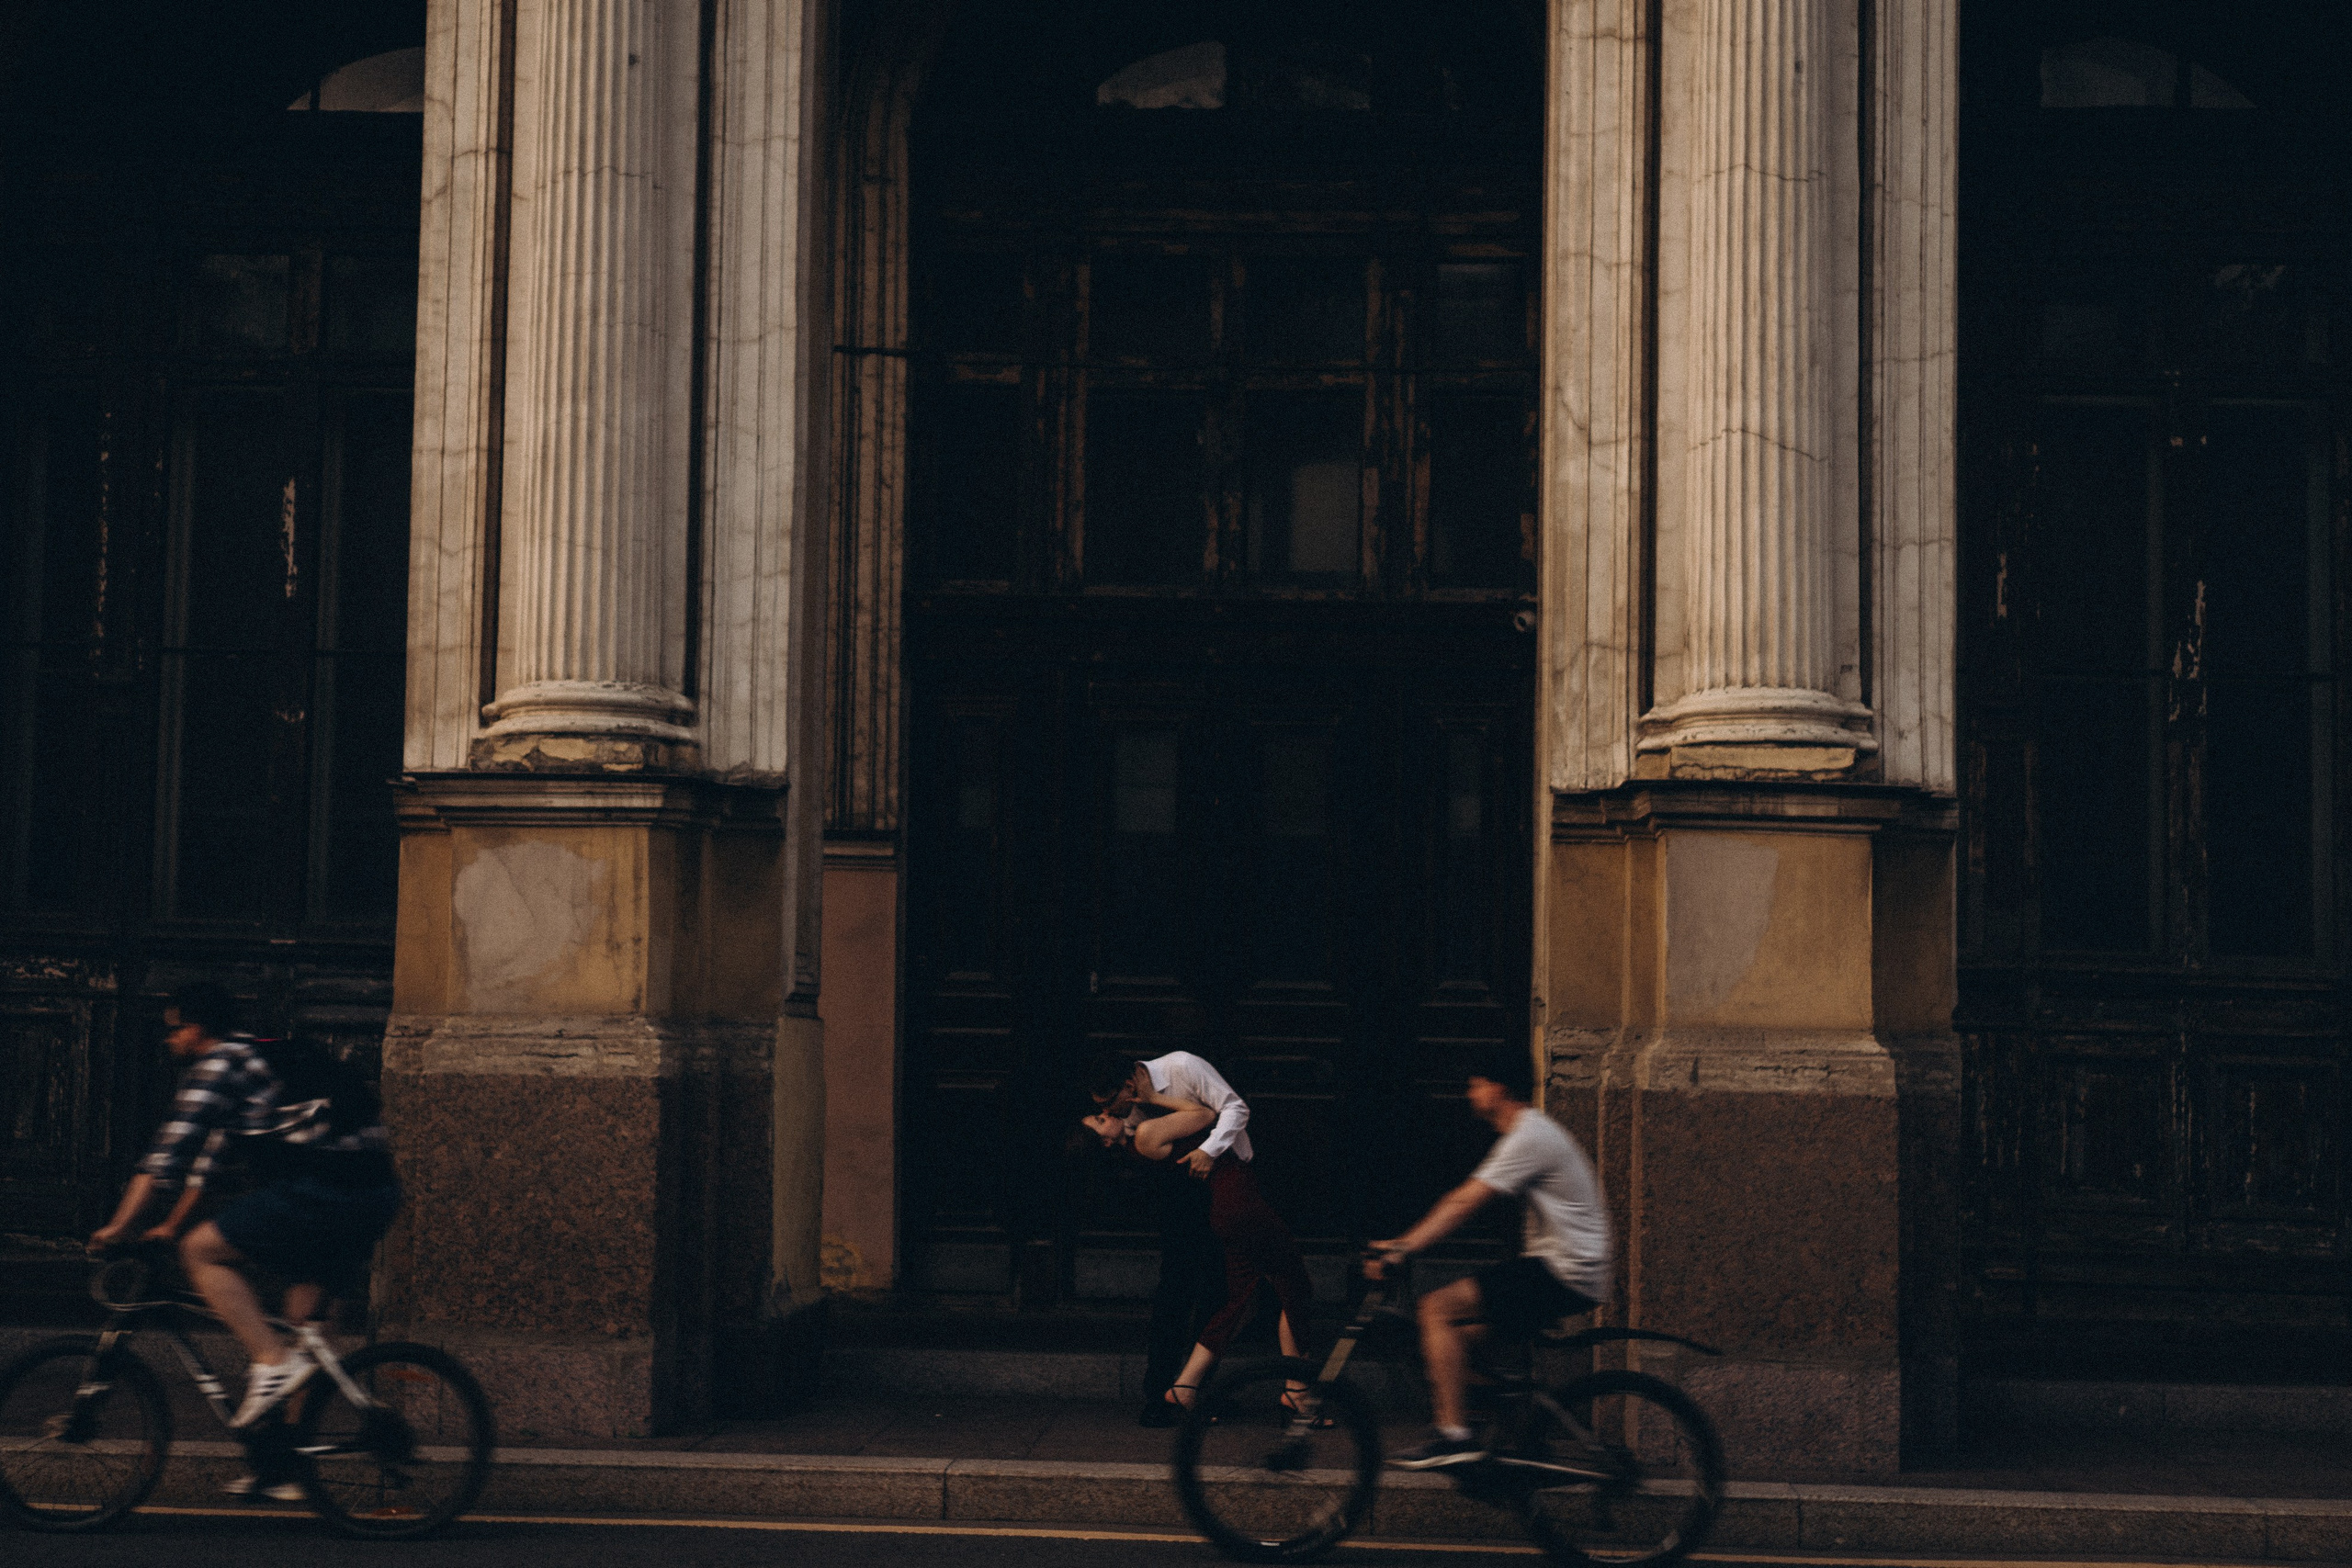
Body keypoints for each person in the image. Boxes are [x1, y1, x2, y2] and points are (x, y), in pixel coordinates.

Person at [87, 982, 401, 1498]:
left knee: (202, 1251)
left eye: (175, 1028)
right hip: (368, 1190)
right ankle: (285, 1463)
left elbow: (164, 1158)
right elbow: (203, 1166)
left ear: (199, 1029)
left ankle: (270, 1362)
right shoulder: (258, 1064)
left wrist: (119, 1228)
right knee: (305, 1323)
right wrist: (163, 1225)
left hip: (331, 1189)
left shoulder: (218, 1064)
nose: (169, 1040)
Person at [1364, 1045, 1610, 1469]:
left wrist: (1401, 1248)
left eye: (1476, 1085)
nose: (1469, 1094)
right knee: (1456, 1341)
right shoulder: (1530, 1133)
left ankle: (1454, 1435)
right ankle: (1511, 1435)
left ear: (1498, 1089)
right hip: (1568, 1267)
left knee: (1435, 1309)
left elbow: (1463, 1203)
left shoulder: (1530, 1136)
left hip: (1565, 1270)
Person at [1080, 1083, 1317, 1420]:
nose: (1105, 1113)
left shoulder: (1140, 1133)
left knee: (1239, 1300)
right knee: (1293, 1288)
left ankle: (1186, 1386)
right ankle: (1297, 1392)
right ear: (1105, 1141)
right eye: (1099, 1120)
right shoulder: (1145, 1133)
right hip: (1234, 1200)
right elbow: (1206, 1114)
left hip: (1226, 1204)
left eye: (1100, 1112)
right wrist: (1150, 1098)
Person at [1081, 1049, 1254, 1424]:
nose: (1109, 1113)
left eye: (1110, 1105)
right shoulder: (1132, 1112)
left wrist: (1209, 1151)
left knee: (1217, 1291)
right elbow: (1146, 1138)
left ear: (1129, 1086)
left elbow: (1235, 1109)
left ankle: (1196, 1390)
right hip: (1178, 1191)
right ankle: (1158, 1394)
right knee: (1175, 1291)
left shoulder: (1183, 1067)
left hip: (1222, 1183)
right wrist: (1115, 1133)